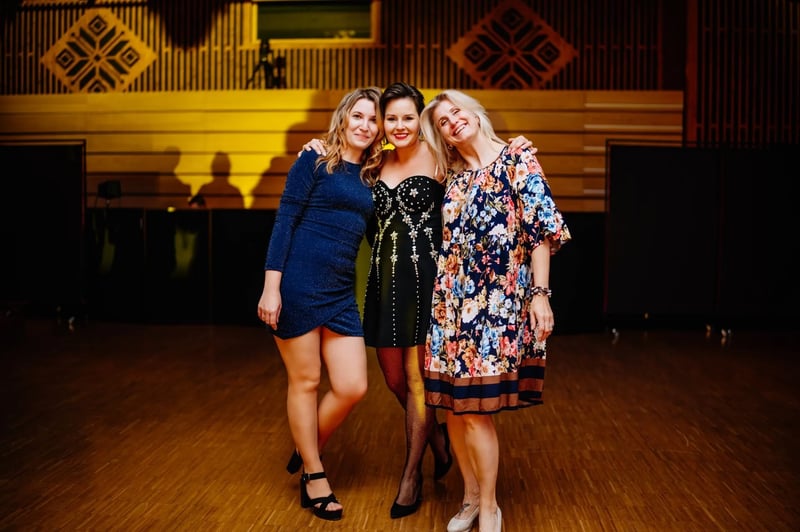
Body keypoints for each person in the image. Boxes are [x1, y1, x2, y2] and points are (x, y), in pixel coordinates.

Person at [300, 82, 535, 520]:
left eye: (408, 117)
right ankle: (438, 441)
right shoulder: (373, 162)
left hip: (430, 284)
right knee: (396, 382)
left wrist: (513, 147)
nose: (400, 125)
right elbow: (338, 166)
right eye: (391, 118)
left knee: (418, 383)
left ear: (420, 119)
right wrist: (315, 146)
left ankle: (412, 477)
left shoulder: (443, 157)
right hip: (384, 284)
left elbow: (483, 156)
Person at [419, 90, 571, 532]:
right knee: (454, 407)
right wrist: (323, 145)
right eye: (443, 122)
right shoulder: (451, 175)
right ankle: (469, 497)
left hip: (495, 306)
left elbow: (541, 230)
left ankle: (489, 506)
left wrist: (540, 294)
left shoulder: (518, 159)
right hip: (450, 307)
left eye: (456, 112)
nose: (452, 121)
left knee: (476, 410)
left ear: (474, 112)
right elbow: (393, 147)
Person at [256, 86, 381, 522]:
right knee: (306, 382)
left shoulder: (374, 173)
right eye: (358, 116)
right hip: (298, 283)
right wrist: (271, 288)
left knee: (352, 386)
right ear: (344, 117)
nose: (365, 125)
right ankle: (314, 473)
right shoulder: (314, 159)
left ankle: (305, 445)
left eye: (374, 119)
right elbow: (285, 221)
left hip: (340, 291)